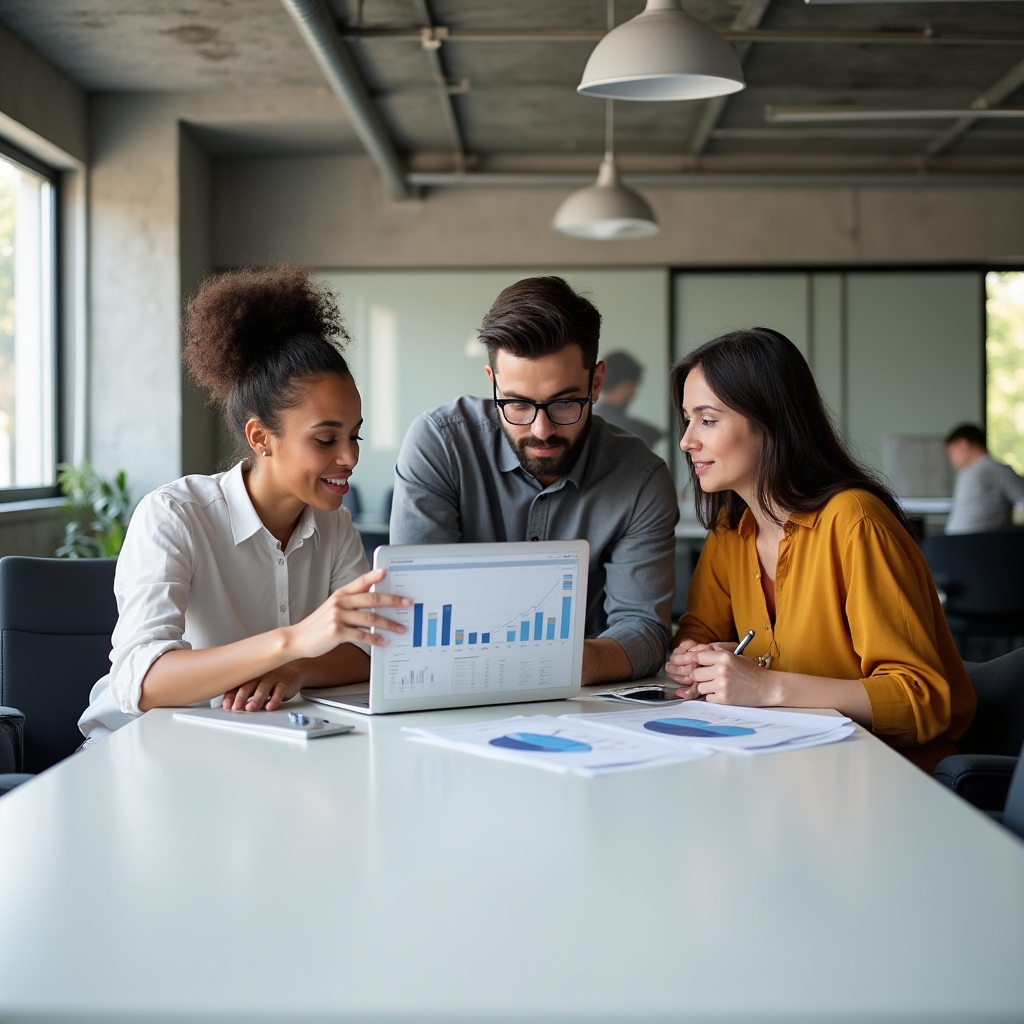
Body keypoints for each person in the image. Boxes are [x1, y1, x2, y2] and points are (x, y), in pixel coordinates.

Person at [78, 266, 409, 742]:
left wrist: (296, 670)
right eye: (325, 438)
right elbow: (142, 681)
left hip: (249, 744)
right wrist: (292, 642)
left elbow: (366, 649)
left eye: (354, 435)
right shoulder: (174, 516)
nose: (350, 456)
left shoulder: (334, 528)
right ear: (261, 437)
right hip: (141, 747)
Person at [664, 327, 975, 772]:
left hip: (886, 775)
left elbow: (918, 698)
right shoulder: (731, 531)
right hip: (785, 766)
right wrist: (693, 658)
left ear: (770, 422)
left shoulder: (855, 522)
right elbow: (700, 630)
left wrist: (767, 687)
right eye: (688, 419)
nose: (686, 440)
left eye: (707, 420)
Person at [390, 276, 678, 686]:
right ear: (492, 382)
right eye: (518, 403)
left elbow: (645, 631)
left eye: (564, 403)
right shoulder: (440, 443)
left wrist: (545, 663)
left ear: (596, 384)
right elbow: (415, 608)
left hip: (570, 694)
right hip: (448, 686)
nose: (542, 430)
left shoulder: (641, 478)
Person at [944, 423, 1024, 534]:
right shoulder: (966, 473)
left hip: (982, 545)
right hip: (959, 544)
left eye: (951, 452)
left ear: (963, 444)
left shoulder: (998, 471)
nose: (952, 459)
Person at [592, 351, 666, 449]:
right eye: (634, 387)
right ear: (627, 385)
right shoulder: (640, 433)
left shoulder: (582, 422)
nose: (634, 393)